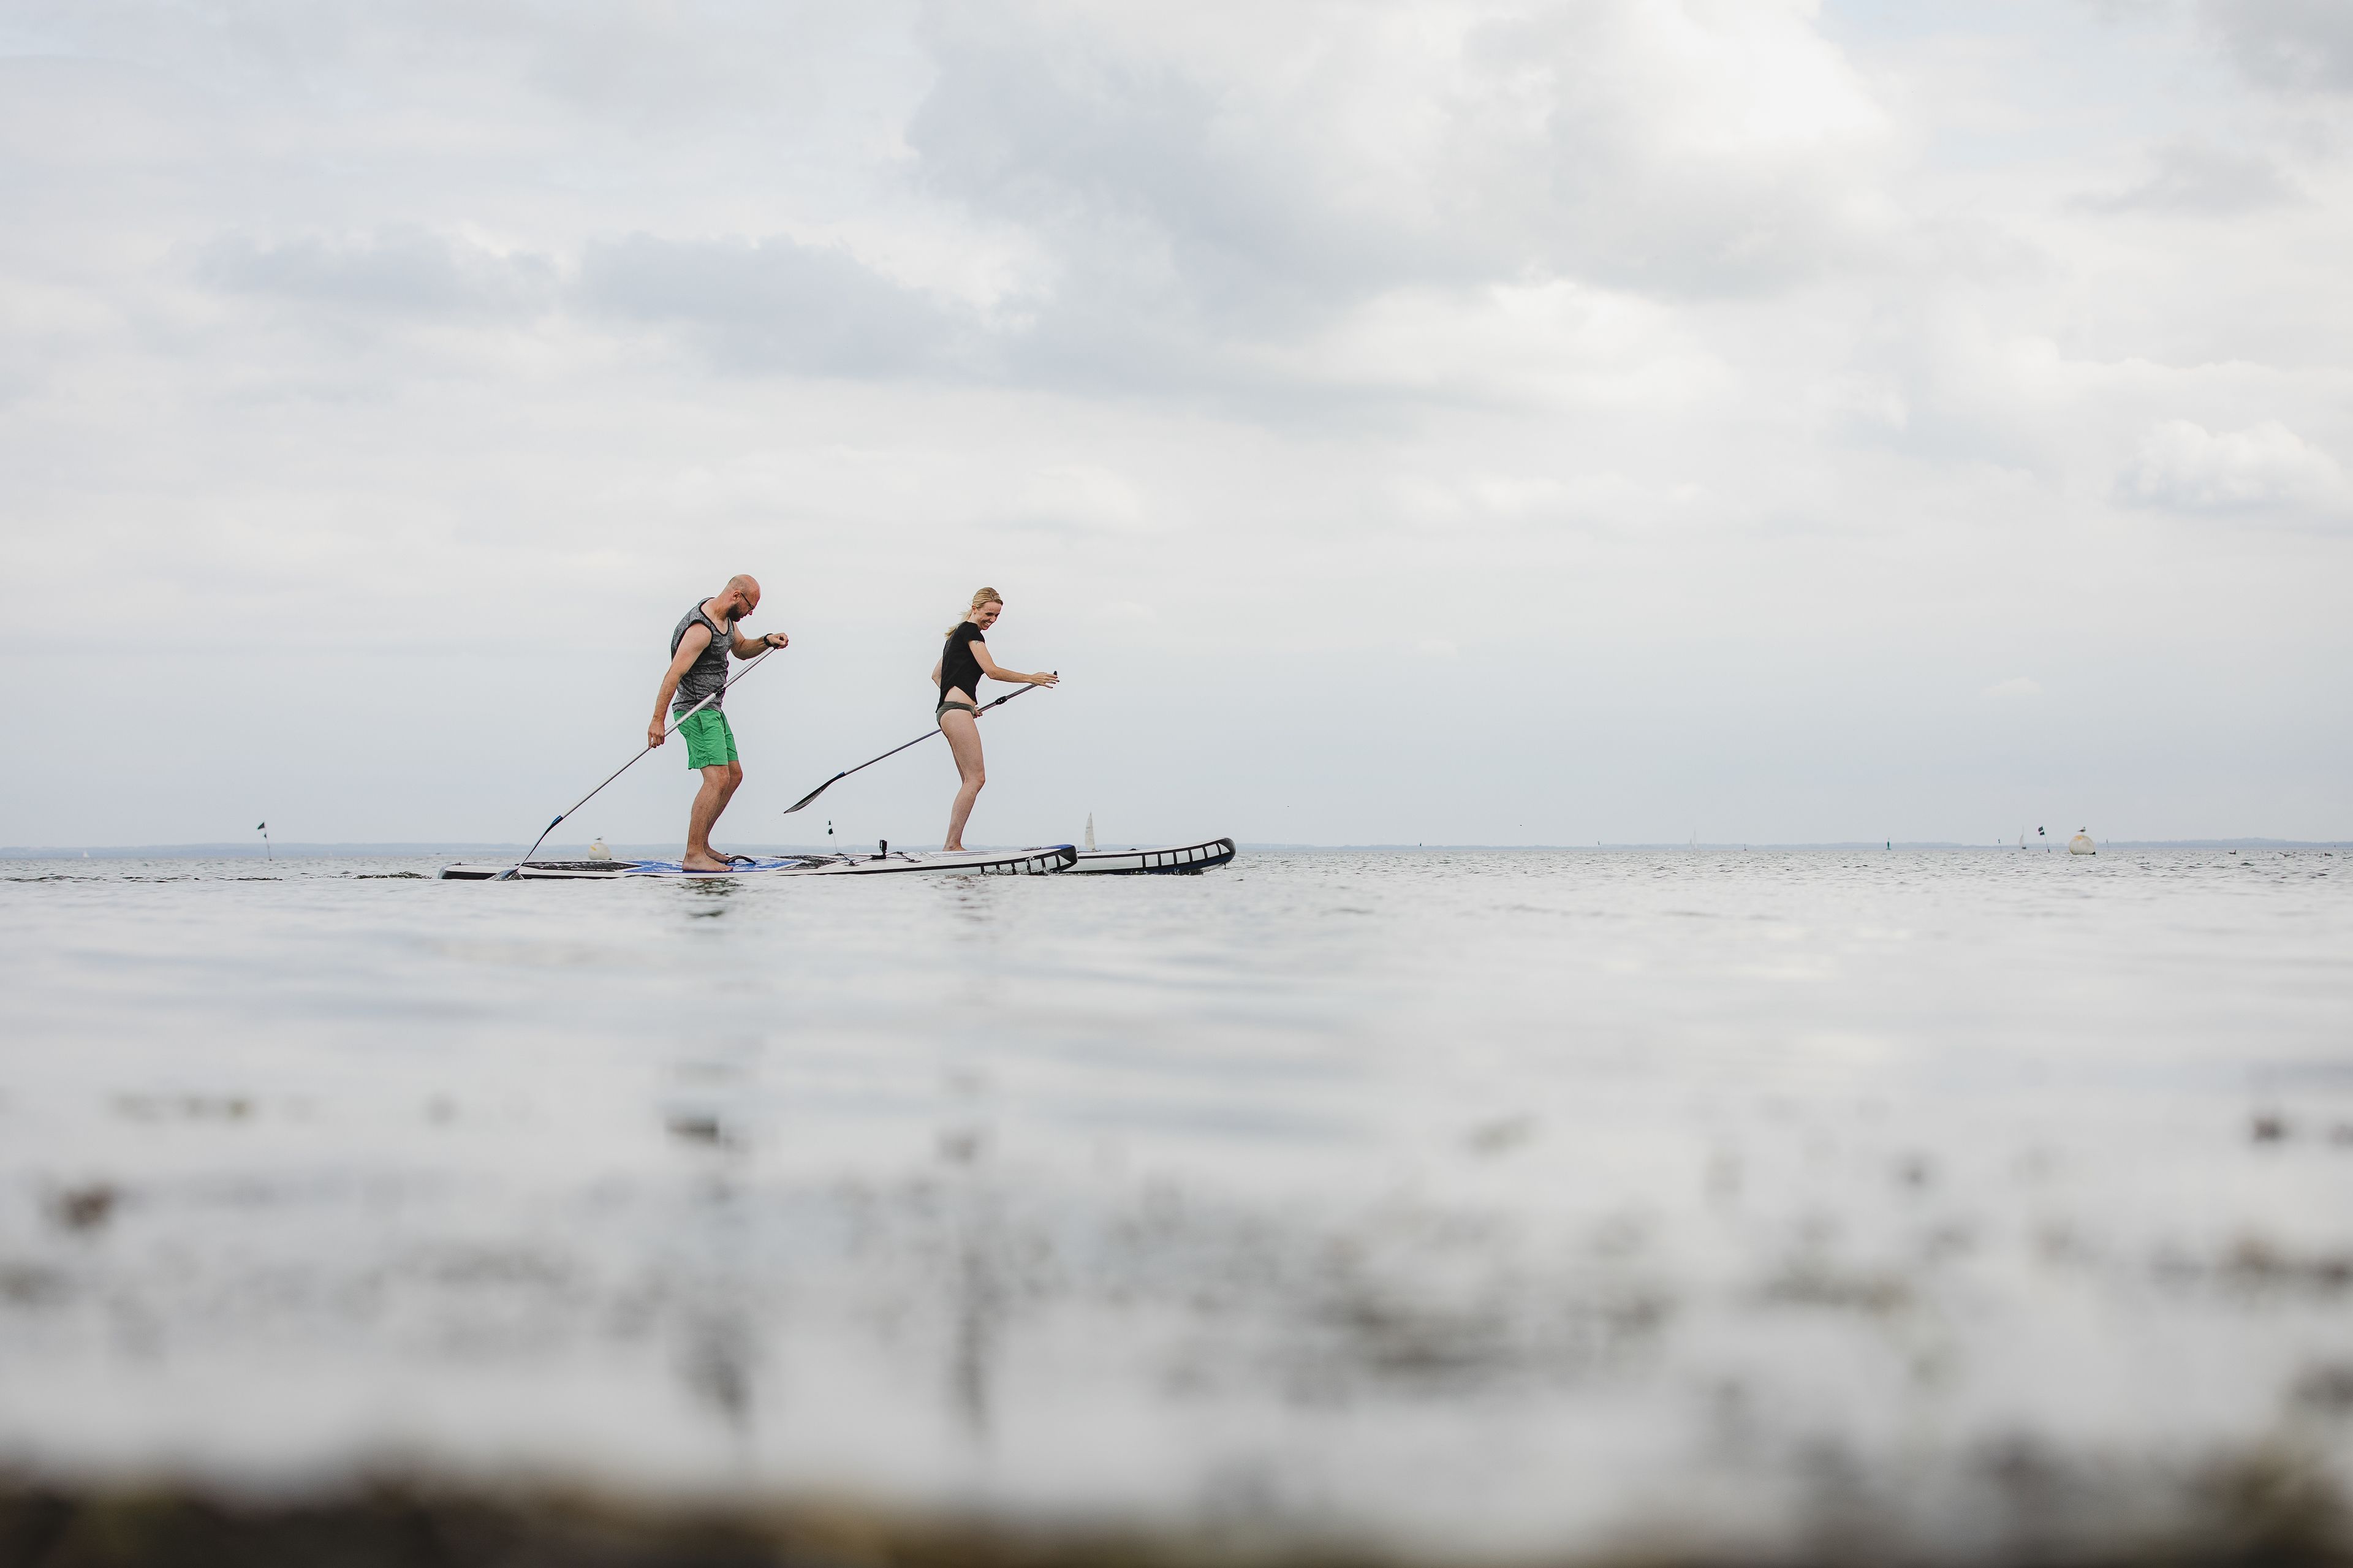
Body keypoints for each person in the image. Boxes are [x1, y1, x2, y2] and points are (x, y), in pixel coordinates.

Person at [649, 575, 789, 871]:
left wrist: (766, 641)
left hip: (713, 710)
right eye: (751, 606)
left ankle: (703, 846)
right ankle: (693, 855)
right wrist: (657, 722)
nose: (751, 613)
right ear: (737, 596)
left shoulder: (727, 621)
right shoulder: (701, 629)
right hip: (695, 710)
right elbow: (672, 675)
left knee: (734, 775)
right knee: (716, 779)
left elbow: (739, 650)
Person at [931, 587, 1056, 852]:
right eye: (989, 614)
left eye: (997, 616)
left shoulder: (955, 636)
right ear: (975, 609)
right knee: (976, 779)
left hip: (950, 711)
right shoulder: (970, 632)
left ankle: (952, 845)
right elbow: (991, 671)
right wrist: (1031, 677)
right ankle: (952, 846)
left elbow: (936, 676)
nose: (992, 620)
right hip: (956, 712)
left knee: (969, 780)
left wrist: (967, 701)